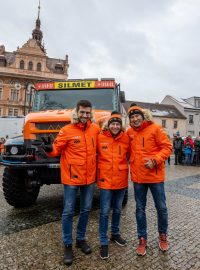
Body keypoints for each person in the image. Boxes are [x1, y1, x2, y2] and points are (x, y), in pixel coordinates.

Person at [42, 100, 100, 266]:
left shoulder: (95, 129)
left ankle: (80, 239)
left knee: (86, 209)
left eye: (87, 113)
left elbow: (104, 145)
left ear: (91, 113)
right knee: (68, 211)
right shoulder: (66, 130)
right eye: (82, 112)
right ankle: (67, 244)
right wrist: (48, 148)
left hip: (89, 178)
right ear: (77, 112)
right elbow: (55, 151)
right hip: (71, 178)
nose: (85, 115)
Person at [126, 103, 172, 256]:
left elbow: (167, 147)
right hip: (138, 178)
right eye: (132, 117)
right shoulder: (129, 133)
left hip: (155, 177)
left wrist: (155, 160)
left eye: (137, 115)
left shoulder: (155, 129)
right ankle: (142, 238)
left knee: (162, 208)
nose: (135, 119)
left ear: (143, 116)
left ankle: (163, 235)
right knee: (140, 209)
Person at [97, 111, 130, 259]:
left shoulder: (126, 139)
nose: (115, 126)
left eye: (117, 124)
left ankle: (115, 234)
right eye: (113, 124)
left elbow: (131, 155)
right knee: (104, 212)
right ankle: (103, 242)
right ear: (108, 125)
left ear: (120, 125)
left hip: (121, 180)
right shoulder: (100, 137)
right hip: (105, 181)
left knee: (117, 209)